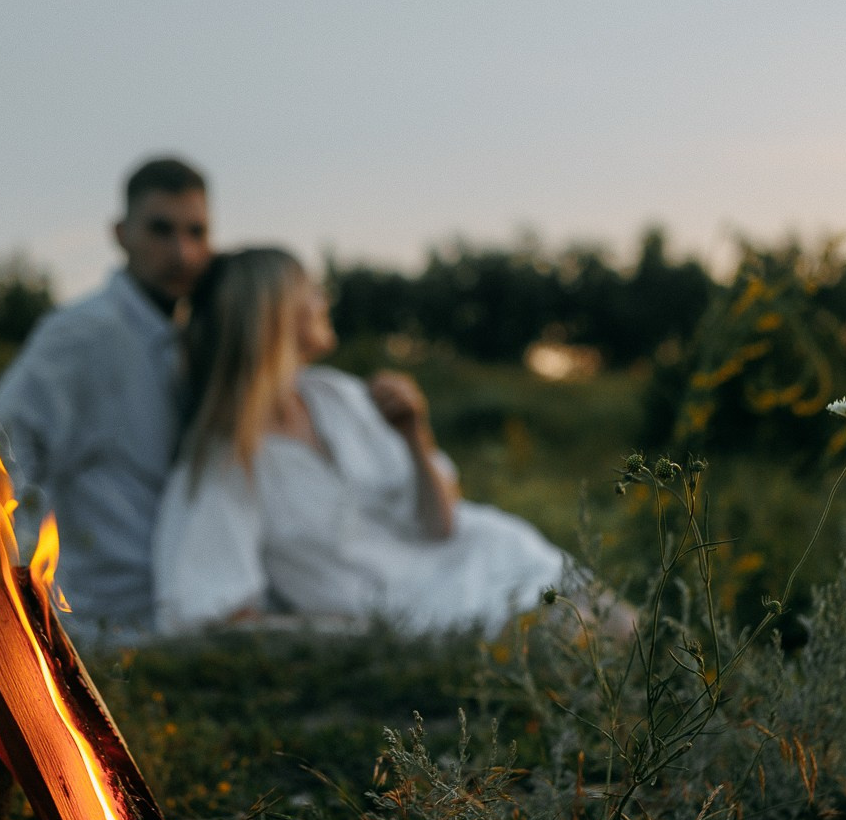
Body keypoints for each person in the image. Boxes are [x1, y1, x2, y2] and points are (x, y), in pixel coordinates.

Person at [152, 246, 573, 636]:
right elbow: (211, 613)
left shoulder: (337, 395)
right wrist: (349, 632)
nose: (324, 300)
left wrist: (414, 434)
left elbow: (441, 525)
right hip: (428, 614)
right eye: (311, 290)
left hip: (486, 556)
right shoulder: (226, 464)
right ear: (275, 315)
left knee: (603, 624)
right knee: (585, 641)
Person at [0, 157, 210, 634]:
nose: (182, 253)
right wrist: (11, 592)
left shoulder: (196, 341)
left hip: (183, 615)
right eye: (161, 230)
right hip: (102, 622)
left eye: (196, 232)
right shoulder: (82, 335)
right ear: (121, 234)